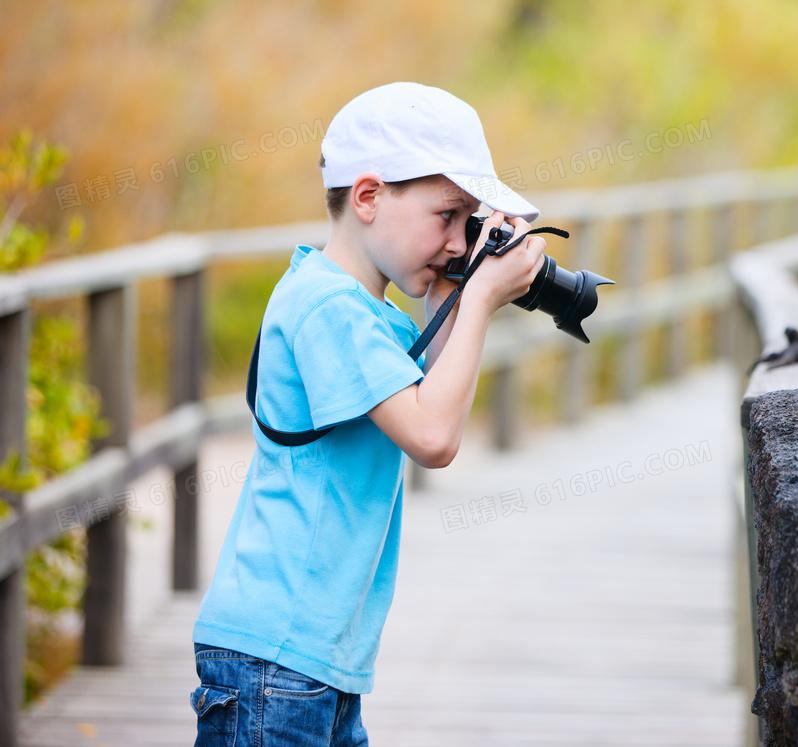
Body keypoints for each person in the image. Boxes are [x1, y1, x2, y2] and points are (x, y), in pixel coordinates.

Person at [189, 82, 547, 747]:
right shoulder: (329, 310)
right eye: (448, 215)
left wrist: (458, 281)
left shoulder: (361, 311)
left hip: (315, 659)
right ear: (369, 197)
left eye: (468, 221)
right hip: (276, 658)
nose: (456, 237)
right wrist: (480, 302)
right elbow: (434, 437)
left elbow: (435, 392)